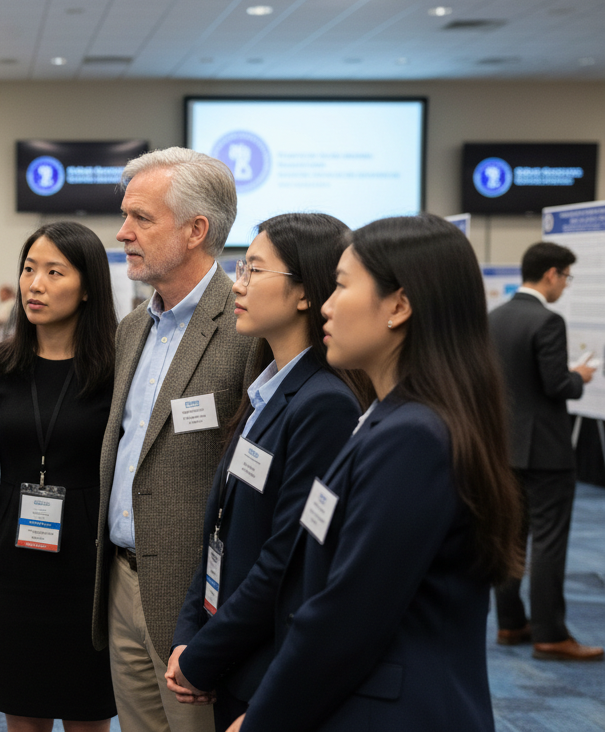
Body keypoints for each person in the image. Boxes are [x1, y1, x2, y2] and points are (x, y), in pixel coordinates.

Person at [215, 215, 523, 731]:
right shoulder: (389, 418)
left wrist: (261, 719)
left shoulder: (414, 437)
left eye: (341, 286)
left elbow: (348, 615)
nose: (327, 305)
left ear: (399, 306)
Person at [163, 214, 370, 730]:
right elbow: (222, 528)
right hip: (231, 651)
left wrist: (203, 654)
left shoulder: (323, 403)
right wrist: (189, 635)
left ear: (305, 292)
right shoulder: (266, 389)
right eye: (242, 269)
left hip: (264, 667)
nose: (239, 284)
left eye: (254, 270)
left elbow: (285, 560)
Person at [92, 146, 257, 732]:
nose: (123, 232)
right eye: (125, 216)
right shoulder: (132, 328)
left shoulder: (246, 328)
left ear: (195, 230)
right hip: (120, 581)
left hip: (198, 598)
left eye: (141, 217)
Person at [0, 222, 118, 731]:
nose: (35, 284)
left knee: (87, 713)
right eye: (29, 269)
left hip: (89, 571)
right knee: (23, 713)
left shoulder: (116, 370)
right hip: (12, 568)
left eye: (54, 272)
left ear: (88, 287)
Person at [490, 242, 602, 661]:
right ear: (551, 273)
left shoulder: (494, 318)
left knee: (510, 538)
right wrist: (580, 376)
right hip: (546, 452)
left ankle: (510, 623)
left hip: (505, 446)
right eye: (566, 277)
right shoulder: (548, 321)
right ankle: (551, 635)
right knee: (549, 543)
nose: (565, 286)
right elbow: (556, 385)